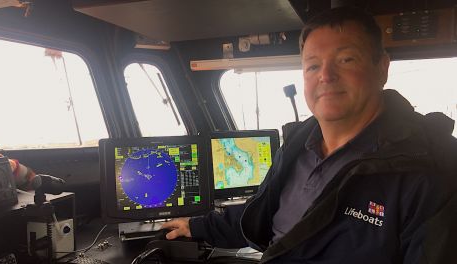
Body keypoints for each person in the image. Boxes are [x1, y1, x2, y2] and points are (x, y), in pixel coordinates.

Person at [162, 6, 457, 263]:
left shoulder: (432, 170)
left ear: (381, 68)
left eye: (346, 59)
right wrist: (198, 226)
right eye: (313, 65)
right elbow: (260, 213)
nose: (325, 76)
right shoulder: (296, 145)